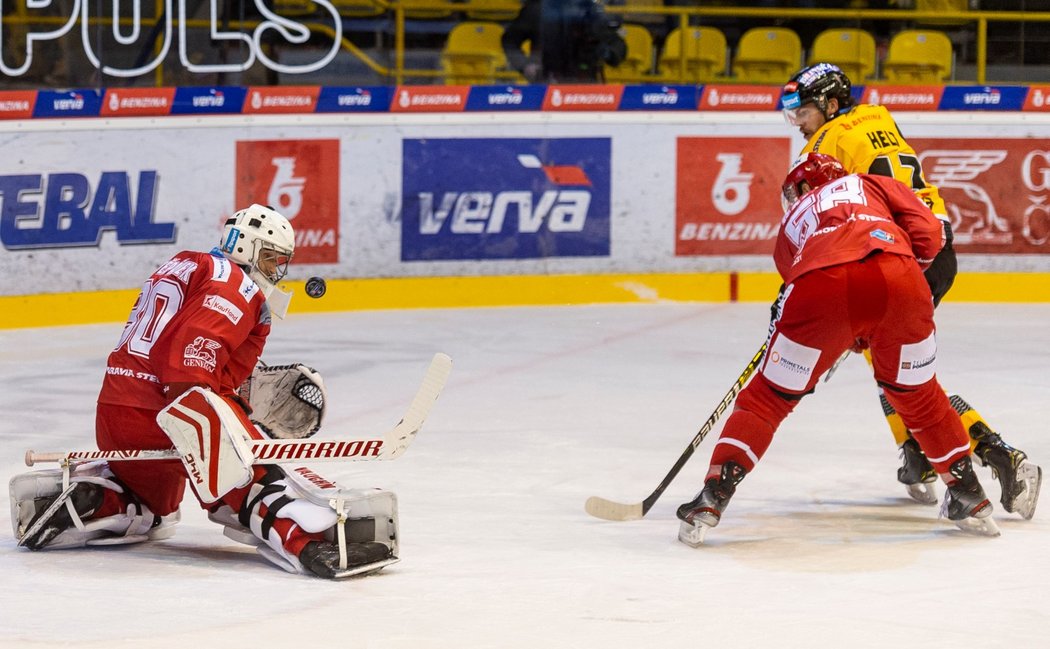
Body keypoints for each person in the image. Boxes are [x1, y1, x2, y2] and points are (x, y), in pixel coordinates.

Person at [9, 204, 394, 578]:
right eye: (272, 259)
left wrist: (239, 396)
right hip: (170, 407)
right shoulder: (236, 284)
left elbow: (172, 345)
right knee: (253, 482)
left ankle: (95, 500)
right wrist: (234, 436)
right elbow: (186, 362)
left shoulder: (185, 263)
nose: (276, 271)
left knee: (154, 506)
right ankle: (313, 538)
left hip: (116, 408)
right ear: (247, 246)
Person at [677, 153, 1001, 546]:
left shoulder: (793, 217)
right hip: (902, 280)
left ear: (798, 190)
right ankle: (970, 494)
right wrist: (899, 276)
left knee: (766, 400)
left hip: (822, 285)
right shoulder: (872, 183)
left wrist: (837, 328)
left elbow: (793, 278)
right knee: (920, 397)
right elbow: (931, 234)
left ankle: (714, 494)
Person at [779, 62, 1041, 518]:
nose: (798, 123)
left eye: (802, 112)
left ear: (832, 105)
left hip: (898, 255)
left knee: (905, 378)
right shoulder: (879, 116)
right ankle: (917, 454)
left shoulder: (825, 144)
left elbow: (832, 221)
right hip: (934, 243)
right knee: (892, 365)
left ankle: (1002, 457)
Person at [502, 0, 627, 83]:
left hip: (585, 85)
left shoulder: (591, 11)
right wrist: (525, 66)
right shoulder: (537, 10)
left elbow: (617, 44)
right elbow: (510, 41)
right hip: (546, 84)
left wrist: (607, 53)